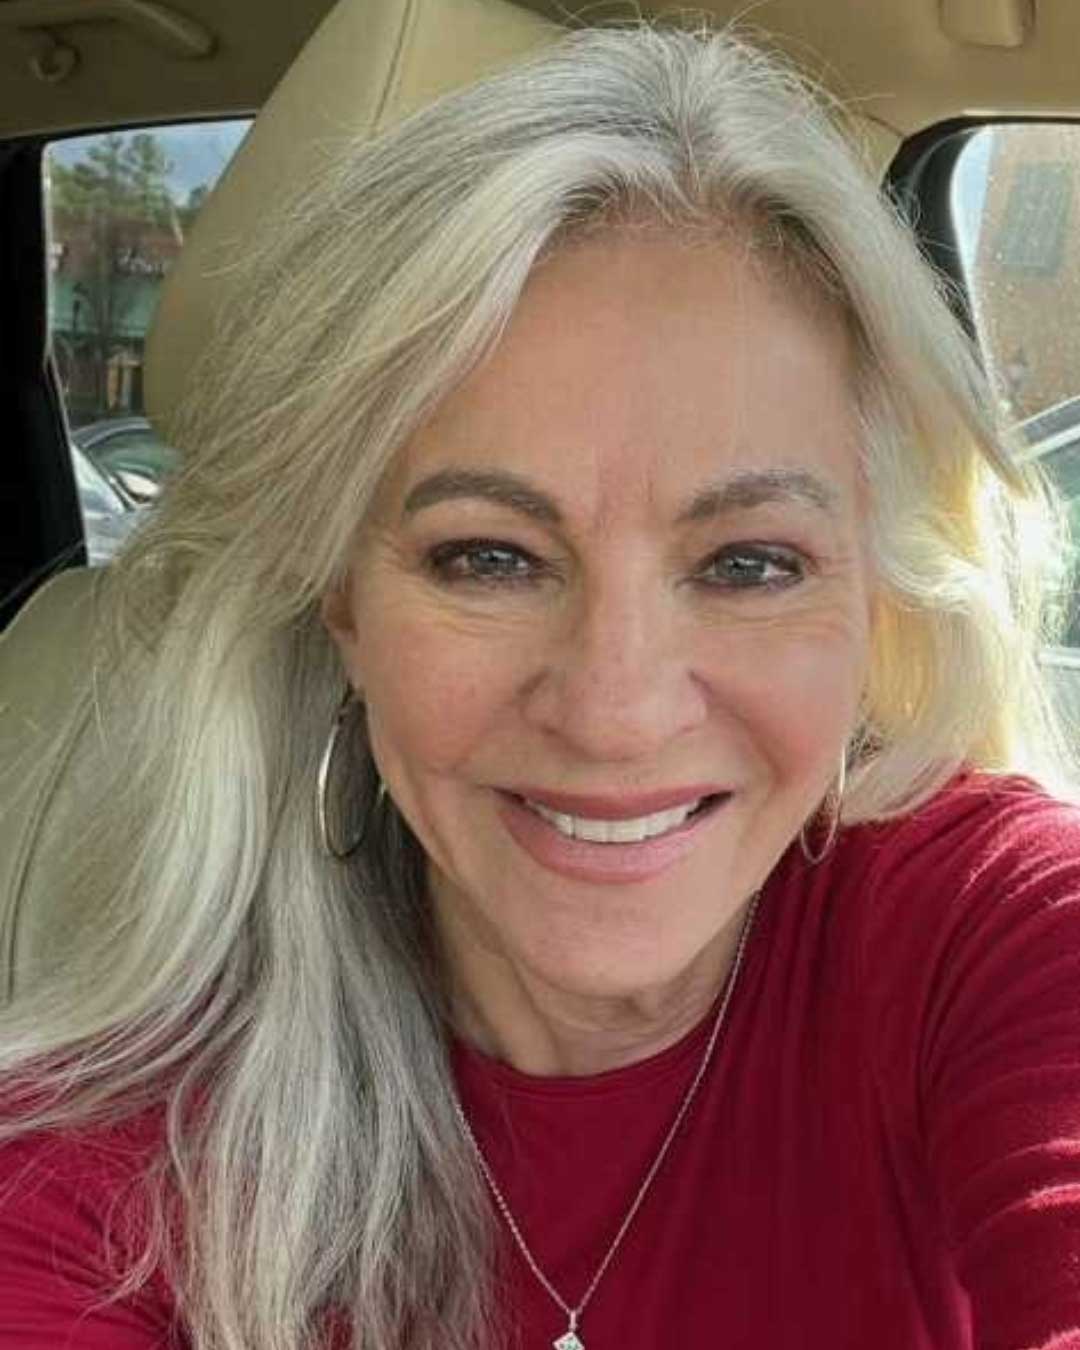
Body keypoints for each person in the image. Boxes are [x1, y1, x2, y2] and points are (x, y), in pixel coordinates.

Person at [2, 21, 1080, 1350]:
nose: (616, 707)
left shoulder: (995, 934)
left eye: (748, 560)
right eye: (489, 556)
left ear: (870, 596)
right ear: (345, 603)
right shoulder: (127, 1162)